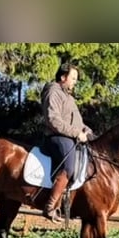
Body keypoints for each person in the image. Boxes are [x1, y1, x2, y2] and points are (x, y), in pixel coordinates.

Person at [40, 62, 95, 223]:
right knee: (68, 166)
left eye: (76, 79)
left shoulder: (68, 97)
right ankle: (50, 206)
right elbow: (53, 119)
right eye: (73, 78)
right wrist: (76, 133)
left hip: (69, 135)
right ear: (63, 77)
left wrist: (88, 132)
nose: (75, 81)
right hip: (56, 136)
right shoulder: (53, 91)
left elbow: (78, 123)